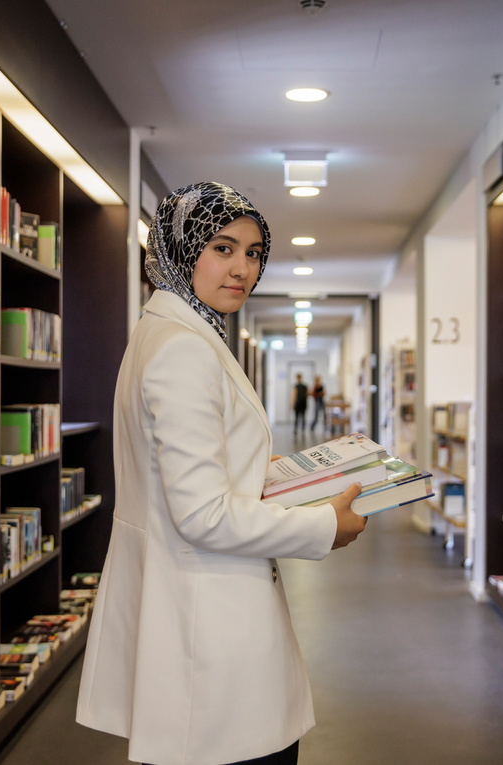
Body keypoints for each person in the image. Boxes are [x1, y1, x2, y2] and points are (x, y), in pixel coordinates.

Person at [75, 182, 368, 765]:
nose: (242, 268)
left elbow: (195, 468)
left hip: (192, 610)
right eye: (222, 247)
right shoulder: (184, 348)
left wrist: (296, 474)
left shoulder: (170, 332)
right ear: (182, 248)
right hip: (209, 625)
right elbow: (202, 514)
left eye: (254, 252)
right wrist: (320, 527)